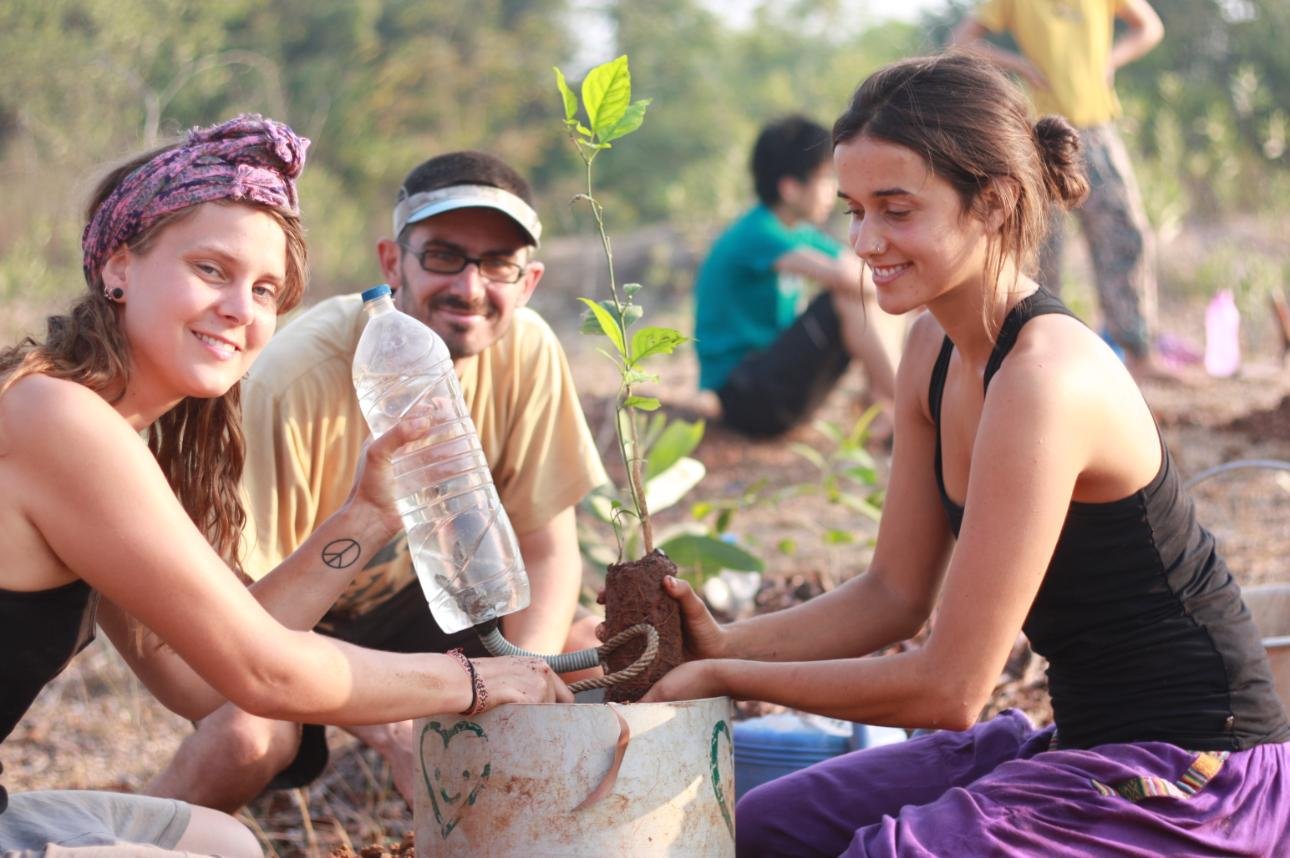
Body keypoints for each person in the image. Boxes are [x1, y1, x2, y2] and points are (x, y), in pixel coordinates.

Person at [644, 54, 1290, 856]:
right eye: (853, 209)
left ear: (993, 202)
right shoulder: (933, 348)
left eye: (896, 209)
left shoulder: (1046, 378)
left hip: (1195, 773)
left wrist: (727, 679)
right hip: (1085, 746)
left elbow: (952, 689)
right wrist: (724, 643)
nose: (865, 241)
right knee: (763, 829)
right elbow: (892, 594)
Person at [0, 116, 570, 856]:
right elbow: (263, 671)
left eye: (266, 288)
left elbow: (202, 682)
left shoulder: (100, 429)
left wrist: (365, 515)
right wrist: (483, 683)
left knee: (223, 845)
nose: (241, 309)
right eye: (211, 269)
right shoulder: (55, 420)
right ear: (118, 266)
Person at [143, 150, 608, 812]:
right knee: (249, 736)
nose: (471, 288)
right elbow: (243, 633)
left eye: (498, 263)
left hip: (426, 597)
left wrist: (518, 685)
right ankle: (135, 835)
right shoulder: (290, 380)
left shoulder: (529, 350)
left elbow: (547, 547)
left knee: (589, 650)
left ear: (528, 280)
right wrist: (395, 728)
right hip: (296, 617)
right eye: (444, 255)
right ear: (392, 264)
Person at [951, 0, 1173, 382]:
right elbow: (961, 43)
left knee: (1125, 234)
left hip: (1096, 127)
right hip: (1039, 133)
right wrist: (1021, 66)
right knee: (1041, 247)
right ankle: (1042, 352)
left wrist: (1111, 60)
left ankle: (1139, 351)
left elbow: (1149, 27)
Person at [693, 115, 899, 439]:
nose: (834, 190)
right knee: (849, 298)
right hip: (744, 396)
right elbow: (852, 278)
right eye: (825, 179)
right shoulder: (759, 232)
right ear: (790, 188)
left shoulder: (797, 231)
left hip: (770, 384)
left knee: (876, 293)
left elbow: (861, 270)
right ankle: (908, 409)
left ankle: (888, 405)